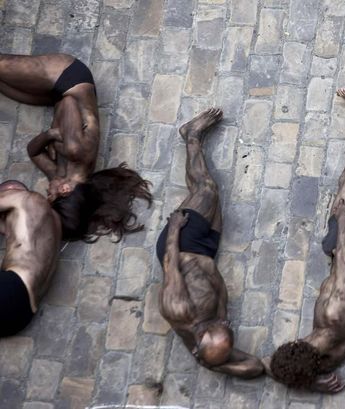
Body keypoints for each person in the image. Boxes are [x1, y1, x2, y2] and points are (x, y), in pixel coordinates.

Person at [263, 89, 345, 393]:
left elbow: (269, 367)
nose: (296, 339)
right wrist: (343, 219)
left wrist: (314, 385)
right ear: (300, 348)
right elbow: (342, 266)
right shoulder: (333, 317)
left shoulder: (327, 359)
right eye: (295, 344)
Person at [156, 108, 263, 378]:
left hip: (183, 245)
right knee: (209, 192)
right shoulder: (213, 346)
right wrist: (219, 360)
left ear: (203, 334)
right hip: (206, 252)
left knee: (206, 190)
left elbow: (170, 263)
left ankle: (190, 135)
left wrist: (175, 228)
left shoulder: (178, 309)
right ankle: (191, 138)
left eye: (221, 324)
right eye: (225, 324)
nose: (224, 321)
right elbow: (255, 366)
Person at [0, 53, 151, 241]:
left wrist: (50, 135)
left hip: (54, 96)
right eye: (50, 194)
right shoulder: (76, 151)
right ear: (65, 190)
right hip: (67, 78)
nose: (48, 191)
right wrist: (57, 137)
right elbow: (70, 102)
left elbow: (33, 152)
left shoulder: (60, 176)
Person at [0, 180, 61, 337]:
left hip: (10, 290)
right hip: (22, 316)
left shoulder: (23, 198)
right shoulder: (53, 221)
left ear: (11, 190)